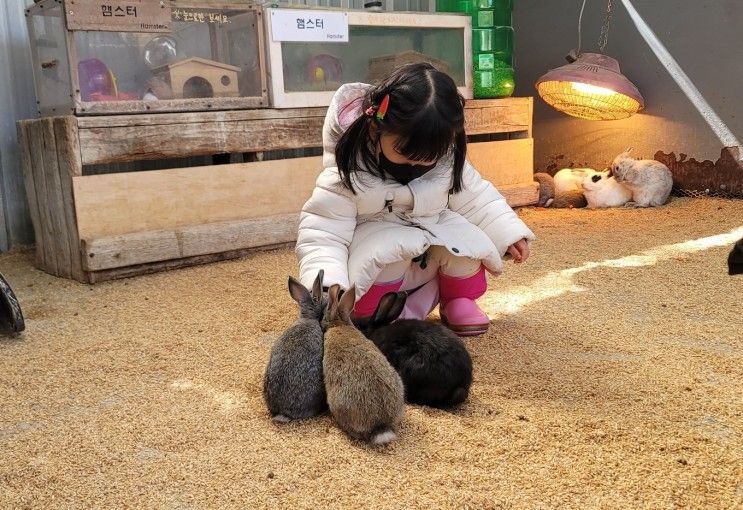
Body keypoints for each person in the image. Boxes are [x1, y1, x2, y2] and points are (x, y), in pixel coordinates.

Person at [296, 63, 535, 336]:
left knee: (467, 243)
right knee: (388, 250)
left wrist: (509, 232)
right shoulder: (347, 174)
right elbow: (323, 233)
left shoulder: (447, 160)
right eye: (404, 152)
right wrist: (329, 288)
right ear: (376, 129)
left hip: (426, 253)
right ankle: (377, 318)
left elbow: (476, 198)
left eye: (427, 157)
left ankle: (458, 300)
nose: (415, 164)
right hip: (377, 265)